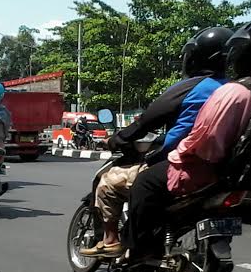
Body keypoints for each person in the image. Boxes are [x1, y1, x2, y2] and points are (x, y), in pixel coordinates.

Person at [121, 16, 251, 257]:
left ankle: (141, 250)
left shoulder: (234, 92)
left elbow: (205, 143)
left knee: (145, 183)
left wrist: (175, 153)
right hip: (246, 174)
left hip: (205, 170)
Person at [81, 26, 234, 257]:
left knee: (107, 183)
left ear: (196, 57)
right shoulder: (233, 89)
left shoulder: (192, 87)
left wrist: (118, 139)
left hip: (177, 162)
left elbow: (147, 120)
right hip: (217, 167)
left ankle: (111, 239)